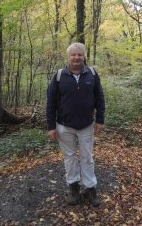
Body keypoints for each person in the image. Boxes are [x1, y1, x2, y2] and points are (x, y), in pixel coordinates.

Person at [46, 42, 105, 207]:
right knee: (69, 158)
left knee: (87, 157)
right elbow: (51, 103)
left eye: (79, 54)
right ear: (68, 57)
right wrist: (51, 127)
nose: (76, 57)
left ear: (83, 56)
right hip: (64, 126)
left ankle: (90, 188)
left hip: (86, 125)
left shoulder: (92, 74)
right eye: (73, 55)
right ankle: (73, 188)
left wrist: (100, 120)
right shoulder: (59, 76)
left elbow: (99, 98)